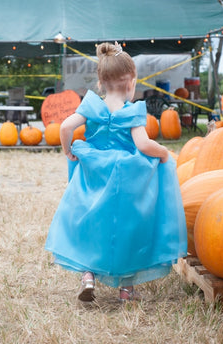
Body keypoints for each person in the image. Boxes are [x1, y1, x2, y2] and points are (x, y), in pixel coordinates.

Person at [45, 42, 187, 302]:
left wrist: (68, 150)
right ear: (131, 83)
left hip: (94, 170)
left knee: (91, 221)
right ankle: (126, 289)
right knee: (127, 225)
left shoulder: (91, 107)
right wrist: (164, 153)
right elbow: (143, 144)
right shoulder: (131, 111)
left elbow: (65, 127)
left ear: (100, 83)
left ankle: (88, 276)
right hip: (124, 176)